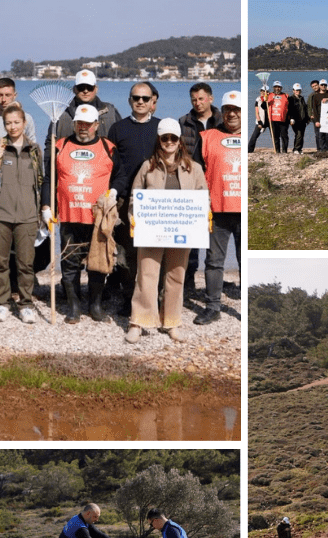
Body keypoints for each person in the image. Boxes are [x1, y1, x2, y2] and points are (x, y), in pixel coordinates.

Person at [126, 118, 206, 343]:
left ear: (180, 140)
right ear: (159, 140)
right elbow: (134, 197)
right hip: (152, 231)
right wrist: (135, 219)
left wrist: (203, 219)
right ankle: (138, 322)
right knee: (146, 275)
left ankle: (171, 322)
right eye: (165, 138)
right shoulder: (147, 166)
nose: (169, 142)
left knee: (176, 276)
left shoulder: (195, 168)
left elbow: (203, 197)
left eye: (173, 138)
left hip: (182, 232)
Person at [40, 105, 119, 325]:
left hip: (97, 218)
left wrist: (114, 191)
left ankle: (94, 304)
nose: (83, 128)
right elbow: (49, 179)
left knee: (97, 263)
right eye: (79, 123)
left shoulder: (108, 147)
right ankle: (74, 306)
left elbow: (120, 175)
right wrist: (46, 206)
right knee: (70, 263)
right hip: (69, 215)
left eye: (88, 124)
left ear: (96, 125)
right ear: (74, 124)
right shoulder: (60, 145)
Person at [107, 82, 162, 321]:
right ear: (130, 100)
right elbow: (110, 166)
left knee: (153, 254)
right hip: (124, 201)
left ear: (153, 100)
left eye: (144, 97)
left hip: (155, 201)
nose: (140, 101)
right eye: (135, 97)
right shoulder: (117, 129)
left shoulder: (162, 128)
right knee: (126, 256)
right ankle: (130, 300)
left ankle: (154, 300)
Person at [0, 103, 42, 324]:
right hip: (2, 214)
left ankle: (26, 304)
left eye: (17, 122)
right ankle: (2, 303)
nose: (13, 126)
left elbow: (41, 181)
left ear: (24, 123)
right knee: (0, 262)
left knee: (26, 264)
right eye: (8, 123)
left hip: (27, 216)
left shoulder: (34, 150)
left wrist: (43, 209)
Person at [192, 91, 241, 327]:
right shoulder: (207, 136)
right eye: (228, 109)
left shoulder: (251, 140)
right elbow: (194, 172)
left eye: (237, 109)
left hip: (245, 212)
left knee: (246, 261)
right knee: (213, 261)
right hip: (217, 211)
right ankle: (213, 307)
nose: (232, 114)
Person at [179, 82, 220, 297]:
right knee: (192, 238)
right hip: (192, 185)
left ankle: (216, 282)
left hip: (218, 183)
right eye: (194, 99)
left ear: (211, 99)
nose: (197, 103)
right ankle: (188, 282)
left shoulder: (222, 121)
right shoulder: (183, 123)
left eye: (201, 99)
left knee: (216, 236)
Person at [53, 69, 121, 141]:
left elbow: (121, 138)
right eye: (81, 87)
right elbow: (50, 141)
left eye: (89, 87)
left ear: (96, 89)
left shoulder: (110, 111)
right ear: (74, 89)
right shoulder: (60, 112)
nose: (85, 91)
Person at [0, 77, 37, 147]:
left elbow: (33, 147)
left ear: (14, 95)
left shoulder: (27, 118)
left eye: (8, 95)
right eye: (0, 95)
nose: (3, 99)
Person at [266, 82, 289, 153]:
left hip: (283, 120)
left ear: (281, 88)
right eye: (275, 87)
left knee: (284, 136)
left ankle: (284, 151)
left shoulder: (285, 95)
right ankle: (277, 151)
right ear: (273, 88)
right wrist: (265, 100)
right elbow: (263, 106)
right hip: (272, 120)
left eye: (279, 87)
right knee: (275, 137)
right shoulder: (269, 95)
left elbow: (290, 107)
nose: (277, 88)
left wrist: (290, 118)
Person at [287, 84, 308, 155]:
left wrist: (307, 118)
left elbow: (305, 108)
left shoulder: (301, 98)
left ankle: (299, 149)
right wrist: (291, 118)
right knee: (298, 134)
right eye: (296, 90)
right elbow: (290, 109)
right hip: (295, 120)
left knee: (301, 135)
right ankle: (295, 149)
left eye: (299, 90)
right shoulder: (291, 98)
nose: (297, 91)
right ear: (293, 91)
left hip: (302, 120)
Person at [248, 86, 269, 151]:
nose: (262, 92)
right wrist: (259, 121)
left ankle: (278, 150)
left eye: (264, 91)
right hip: (261, 121)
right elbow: (257, 112)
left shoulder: (270, 99)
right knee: (254, 136)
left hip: (269, 121)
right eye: (261, 91)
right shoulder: (258, 100)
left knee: (275, 136)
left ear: (267, 92)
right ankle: (249, 150)